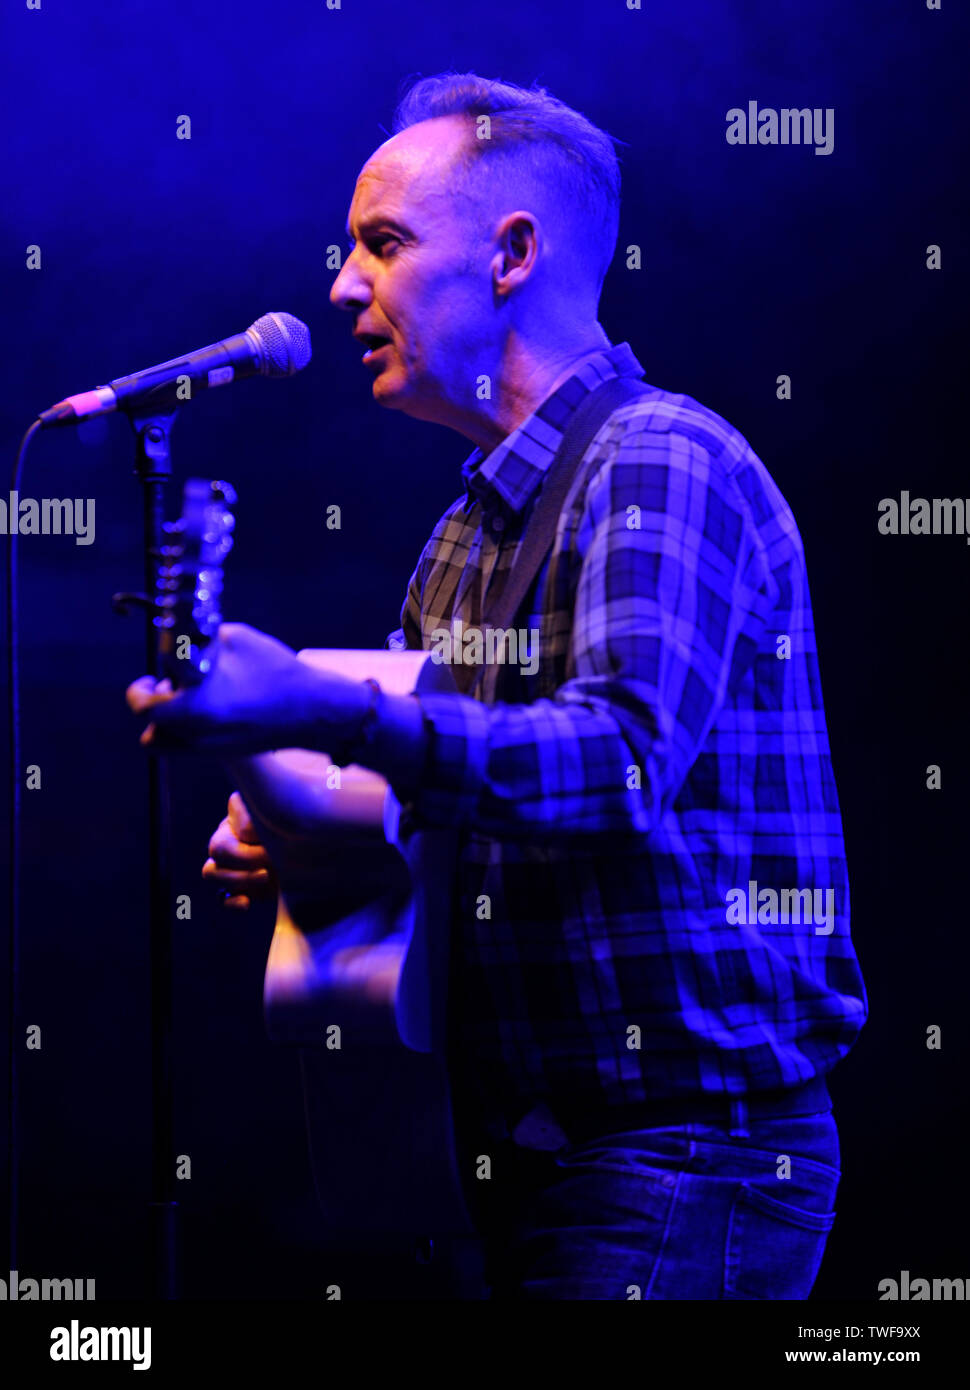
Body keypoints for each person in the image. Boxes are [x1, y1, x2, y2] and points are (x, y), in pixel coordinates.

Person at [127, 72, 867, 1300]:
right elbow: (438, 790)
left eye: (383, 243)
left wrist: (321, 709)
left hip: (681, 1154)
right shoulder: (465, 533)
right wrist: (311, 822)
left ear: (512, 253)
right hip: (520, 1156)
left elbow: (614, 761)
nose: (341, 288)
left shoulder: (660, 457)